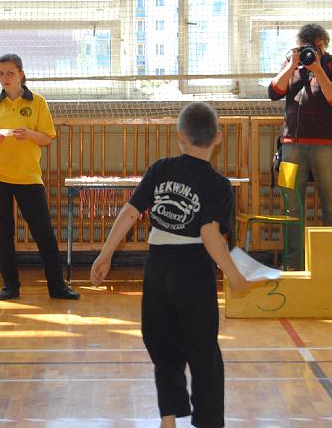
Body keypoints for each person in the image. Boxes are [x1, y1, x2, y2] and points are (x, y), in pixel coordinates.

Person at [91, 102, 249, 428]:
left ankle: (168, 417)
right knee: (203, 353)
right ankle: (207, 422)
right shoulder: (218, 185)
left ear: (180, 136)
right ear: (218, 138)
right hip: (193, 271)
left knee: (162, 345)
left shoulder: (160, 169)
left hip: (157, 267)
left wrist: (105, 254)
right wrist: (234, 275)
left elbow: (130, 212)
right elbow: (209, 234)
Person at [0, 53, 78, 301]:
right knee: (3, 233)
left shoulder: (38, 102)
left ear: (21, 74)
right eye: (1, 74)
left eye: (10, 73)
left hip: (28, 176)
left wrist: (29, 135)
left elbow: (46, 139)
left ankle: (57, 287)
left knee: (43, 232)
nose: (5, 78)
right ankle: (10, 285)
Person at [268, 23, 332, 270]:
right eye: (303, 48)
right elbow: (274, 92)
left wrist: (318, 69)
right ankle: (292, 265)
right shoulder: (291, 63)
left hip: (325, 146)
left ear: (323, 45)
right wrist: (292, 65)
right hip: (290, 147)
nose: (307, 52)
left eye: (312, 47)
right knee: (291, 206)